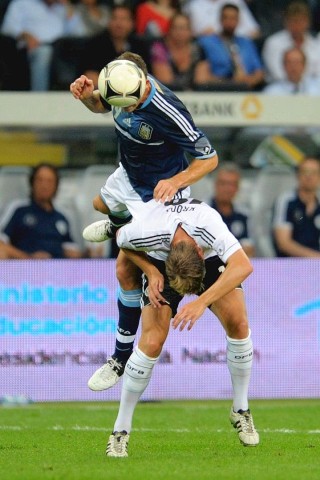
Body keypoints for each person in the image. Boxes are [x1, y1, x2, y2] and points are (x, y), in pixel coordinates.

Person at [70, 51, 218, 390]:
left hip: (160, 193)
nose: (130, 108)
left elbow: (209, 158)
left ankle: (119, 358)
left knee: (124, 269)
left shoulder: (169, 110)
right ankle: (118, 224)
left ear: (143, 81)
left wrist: (177, 181)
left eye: (134, 103)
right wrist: (84, 98)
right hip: (130, 175)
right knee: (98, 203)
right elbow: (99, 105)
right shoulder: (117, 87)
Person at [103, 197, 259, 456]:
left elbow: (244, 265)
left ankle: (240, 409)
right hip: (162, 265)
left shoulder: (209, 225)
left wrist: (201, 302)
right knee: (152, 341)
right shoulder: (147, 231)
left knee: (239, 323)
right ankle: (120, 430)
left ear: (199, 250)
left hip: (209, 262)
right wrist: (151, 272)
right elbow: (121, 239)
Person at [0, 163, 82, 259]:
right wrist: (29, 258)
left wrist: (88, 253)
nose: (44, 185)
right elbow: (1, 244)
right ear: (32, 183)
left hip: (57, 269)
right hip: (23, 268)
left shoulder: (62, 216)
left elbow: (72, 250)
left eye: (49, 181)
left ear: (56, 186)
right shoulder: (18, 209)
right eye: (40, 180)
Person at [0, 0, 77, 91]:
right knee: (44, 52)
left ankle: (71, 96)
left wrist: (68, 7)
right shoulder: (22, 3)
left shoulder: (62, 8)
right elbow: (7, 28)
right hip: (32, 49)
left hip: (59, 50)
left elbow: (75, 33)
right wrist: (25, 35)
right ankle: (39, 96)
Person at [80, 4, 152, 88]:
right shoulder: (94, 45)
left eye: (123, 19)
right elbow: (90, 77)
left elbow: (147, 77)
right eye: (114, 18)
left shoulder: (140, 46)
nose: (119, 24)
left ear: (132, 23)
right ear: (108, 22)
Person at [198, 3, 264, 91]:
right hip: (217, 90)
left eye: (233, 18)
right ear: (220, 19)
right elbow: (202, 77)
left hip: (246, 90)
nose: (229, 22)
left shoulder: (247, 43)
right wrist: (231, 82)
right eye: (226, 17)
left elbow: (259, 72)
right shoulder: (207, 42)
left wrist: (247, 82)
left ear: (238, 20)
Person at [150, 12, 215, 91]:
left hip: (195, 97)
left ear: (190, 31)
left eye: (183, 28)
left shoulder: (198, 49)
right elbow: (166, 83)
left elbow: (201, 82)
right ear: (169, 30)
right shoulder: (160, 48)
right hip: (167, 95)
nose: (179, 32)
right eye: (175, 28)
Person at [272, 156, 320, 257]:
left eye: (314, 172)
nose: (309, 176)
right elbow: (283, 243)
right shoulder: (286, 201)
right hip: (289, 266)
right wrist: (316, 257)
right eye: (305, 172)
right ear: (298, 175)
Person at [262, 1, 320, 82]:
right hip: (280, 88)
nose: (297, 25)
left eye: (301, 21)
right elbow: (277, 73)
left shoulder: (316, 44)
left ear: (308, 22)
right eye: (294, 21)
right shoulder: (273, 43)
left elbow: (318, 73)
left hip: (310, 89)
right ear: (286, 22)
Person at [209, 162, 255, 257]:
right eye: (223, 183)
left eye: (232, 184)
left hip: (236, 266)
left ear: (238, 187)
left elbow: (248, 248)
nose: (228, 189)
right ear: (215, 185)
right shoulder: (204, 212)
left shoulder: (244, 214)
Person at [184, 0, 261, 39]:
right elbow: (188, 34)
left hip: (239, 46)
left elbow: (254, 32)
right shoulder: (193, 6)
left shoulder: (236, 2)